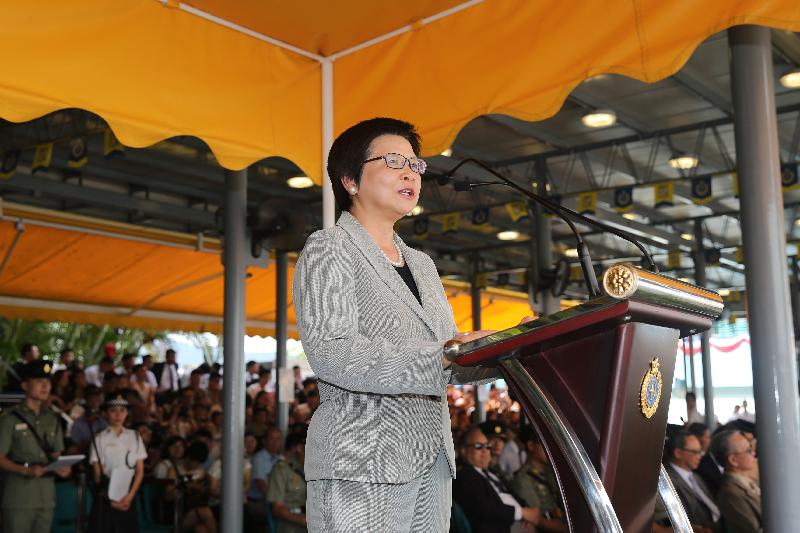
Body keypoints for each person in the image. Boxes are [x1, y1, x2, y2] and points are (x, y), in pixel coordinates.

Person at [294, 118, 520, 532]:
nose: (410, 172)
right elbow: (335, 353)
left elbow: (450, 364)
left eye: (416, 164)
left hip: (431, 461)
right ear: (350, 180)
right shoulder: (329, 249)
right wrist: (448, 353)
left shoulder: (423, 265)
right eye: (394, 160)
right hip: (363, 464)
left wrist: (518, 349)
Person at [0, 360, 71, 533]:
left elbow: (56, 454)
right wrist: (26, 470)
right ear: (25, 385)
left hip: (46, 497)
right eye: (39, 381)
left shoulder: (52, 418)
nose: (45, 386)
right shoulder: (9, 418)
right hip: (18, 498)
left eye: (47, 381)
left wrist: (63, 467)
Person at [453, 427, 541, 533]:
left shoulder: (491, 472)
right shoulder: (464, 476)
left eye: (487, 446)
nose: (485, 451)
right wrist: (521, 512)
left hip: (519, 522)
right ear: (463, 450)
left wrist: (527, 512)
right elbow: (484, 508)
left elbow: (512, 494)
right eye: (478, 446)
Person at [87, 394, 147, 533]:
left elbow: (139, 471)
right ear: (106, 413)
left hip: (128, 492)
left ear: (127, 413)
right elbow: (97, 476)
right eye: (113, 410)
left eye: (122, 410)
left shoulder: (135, 436)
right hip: (106, 493)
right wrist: (111, 502)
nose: (118, 414)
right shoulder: (99, 439)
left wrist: (129, 497)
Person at [511, 428, 566, 532]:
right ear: (531, 446)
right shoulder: (523, 480)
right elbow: (537, 519)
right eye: (543, 443)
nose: (549, 448)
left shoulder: (550, 472)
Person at [664, 431, 719, 533]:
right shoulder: (667, 481)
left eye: (700, 452)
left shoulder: (696, 477)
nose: (699, 456)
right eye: (695, 452)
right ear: (678, 453)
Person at [710, 430, 761, 533]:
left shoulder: (747, 481)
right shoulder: (730, 494)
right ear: (733, 460)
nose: (753, 453)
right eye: (748, 450)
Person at [268, 431, 308, 533]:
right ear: (300, 448)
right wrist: (304, 520)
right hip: (292, 526)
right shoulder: (282, 470)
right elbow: (277, 509)